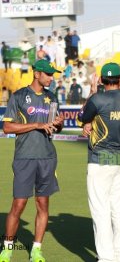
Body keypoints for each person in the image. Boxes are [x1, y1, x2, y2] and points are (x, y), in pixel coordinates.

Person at [0, 59, 64, 262]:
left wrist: (58, 124)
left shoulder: (52, 98)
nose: (51, 78)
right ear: (37, 74)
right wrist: (36, 124)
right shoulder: (19, 96)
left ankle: (36, 249)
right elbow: (7, 127)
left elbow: (54, 128)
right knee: (18, 204)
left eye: (52, 74)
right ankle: (7, 248)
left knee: (42, 204)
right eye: (48, 74)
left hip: (47, 157)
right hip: (24, 157)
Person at [79, 62, 120, 262]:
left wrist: (92, 92)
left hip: (100, 159)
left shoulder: (98, 98)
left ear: (102, 80)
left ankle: (106, 257)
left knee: (100, 210)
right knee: (118, 208)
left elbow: (83, 116)